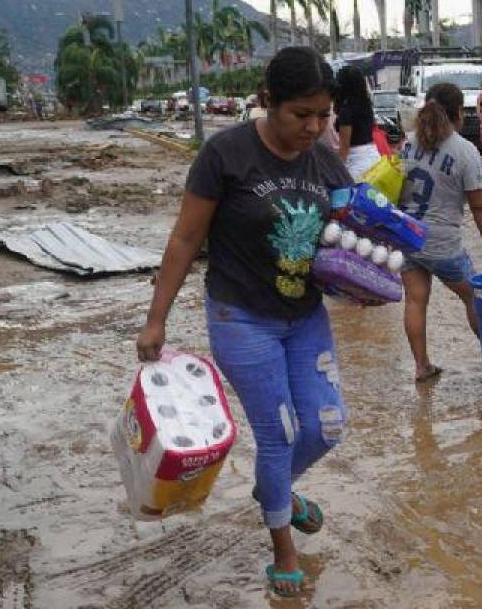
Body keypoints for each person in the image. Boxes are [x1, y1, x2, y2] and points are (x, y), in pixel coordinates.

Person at [136, 46, 352, 597]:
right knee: (277, 434)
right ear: (266, 103)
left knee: (327, 425)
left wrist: (363, 285)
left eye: (323, 114)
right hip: (241, 317)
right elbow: (185, 238)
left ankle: (272, 492)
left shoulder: (325, 160)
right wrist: (155, 319)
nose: (313, 126)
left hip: (304, 316)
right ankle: (284, 547)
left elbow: (346, 243)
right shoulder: (224, 155)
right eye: (300, 114)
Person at [398, 82, 482, 382]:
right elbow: (479, 207)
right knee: (476, 298)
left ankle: (421, 366)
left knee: (415, 301)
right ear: (458, 112)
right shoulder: (465, 151)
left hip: (406, 236)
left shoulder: (407, 143)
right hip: (443, 244)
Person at [334, 65, 379, 178]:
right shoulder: (367, 106)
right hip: (374, 156)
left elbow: (345, 146)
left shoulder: (346, 110)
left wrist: (337, 173)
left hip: (356, 162)